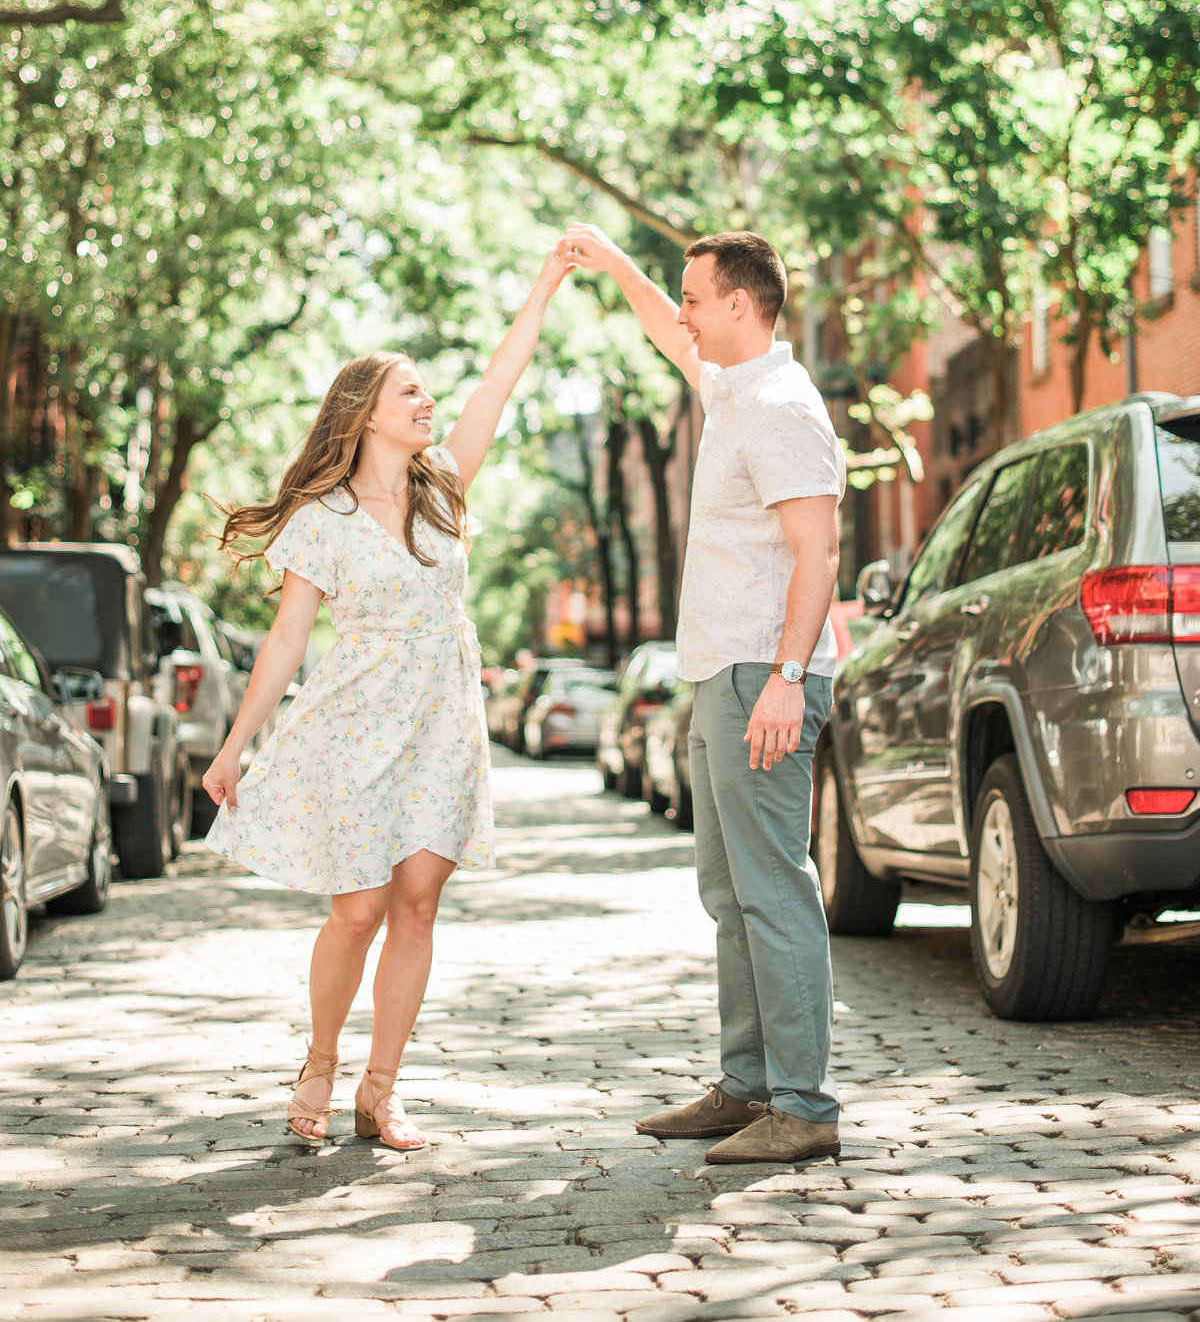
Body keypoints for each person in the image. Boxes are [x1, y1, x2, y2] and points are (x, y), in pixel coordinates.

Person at [202, 247, 571, 1150]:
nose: (427, 404)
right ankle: (320, 1061)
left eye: (425, 395)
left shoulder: (443, 486)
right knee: (357, 910)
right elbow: (289, 641)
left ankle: (381, 1090)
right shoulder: (319, 518)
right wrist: (234, 744)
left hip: (445, 725)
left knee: (416, 908)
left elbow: (500, 380)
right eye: (409, 394)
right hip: (355, 723)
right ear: (365, 412)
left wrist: (546, 284)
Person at [561, 225, 845, 1165]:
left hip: (766, 674)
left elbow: (819, 553)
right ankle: (747, 1086)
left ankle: (802, 1105)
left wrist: (787, 680)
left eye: (695, 295)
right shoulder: (733, 387)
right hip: (718, 674)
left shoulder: (784, 409)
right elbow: (661, 329)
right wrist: (609, 262)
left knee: (773, 890)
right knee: (728, 892)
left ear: (740, 302)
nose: (681, 311)